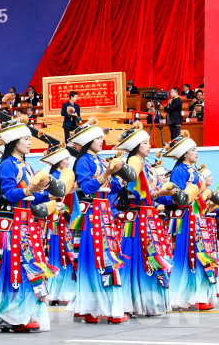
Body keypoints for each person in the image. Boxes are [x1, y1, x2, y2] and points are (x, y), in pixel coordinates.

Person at [0, 116, 57, 332]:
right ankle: (13, 316)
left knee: (31, 265)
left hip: (26, 221)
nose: (29, 142)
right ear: (14, 141)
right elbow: (10, 194)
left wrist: (47, 195)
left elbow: (32, 197)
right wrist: (32, 189)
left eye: (29, 139)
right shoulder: (6, 165)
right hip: (13, 222)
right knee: (17, 267)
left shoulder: (26, 165)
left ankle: (20, 314)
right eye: (26, 139)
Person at [67, 118, 127, 323]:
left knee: (104, 257)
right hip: (93, 215)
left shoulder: (99, 161)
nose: (102, 141)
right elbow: (85, 188)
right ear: (88, 140)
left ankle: (92, 309)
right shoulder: (84, 160)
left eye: (102, 137)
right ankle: (100, 308)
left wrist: (121, 180)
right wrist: (107, 173)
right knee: (100, 258)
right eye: (98, 138)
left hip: (103, 213)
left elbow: (109, 188)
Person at [113, 122, 174, 317]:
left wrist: (164, 194)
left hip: (148, 216)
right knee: (141, 257)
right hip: (138, 218)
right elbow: (135, 192)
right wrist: (159, 194)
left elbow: (151, 192)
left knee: (149, 256)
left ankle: (140, 302)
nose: (149, 145)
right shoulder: (134, 162)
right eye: (145, 143)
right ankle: (136, 301)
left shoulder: (146, 165)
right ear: (136, 145)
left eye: (148, 142)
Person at [164, 131, 217, 311]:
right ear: (184, 153)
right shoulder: (179, 170)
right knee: (191, 253)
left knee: (201, 253)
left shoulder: (193, 171)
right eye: (193, 149)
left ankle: (200, 295)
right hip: (187, 217)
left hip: (197, 216)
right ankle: (190, 296)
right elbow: (178, 197)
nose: (196, 152)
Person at [39, 145, 77, 306]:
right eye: (66, 159)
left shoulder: (65, 176)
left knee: (66, 252)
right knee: (59, 252)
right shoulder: (52, 177)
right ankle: (57, 291)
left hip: (65, 218)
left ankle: (61, 291)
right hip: (57, 219)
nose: (68, 162)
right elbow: (50, 198)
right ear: (58, 161)